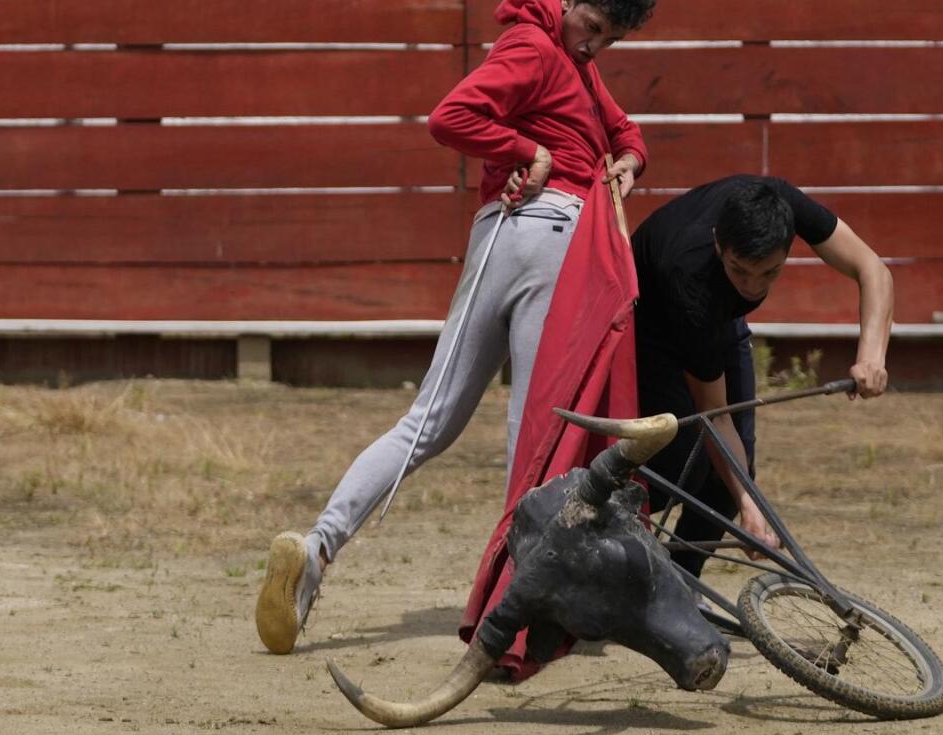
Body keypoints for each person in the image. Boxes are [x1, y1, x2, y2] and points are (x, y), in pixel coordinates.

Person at [255, 0, 656, 655]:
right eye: (594, 30)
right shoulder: (535, 46)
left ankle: (317, 548)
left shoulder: (565, 55)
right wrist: (530, 149)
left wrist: (630, 159)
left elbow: (621, 128)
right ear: (575, 2)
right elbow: (452, 117)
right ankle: (515, 602)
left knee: (428, 419)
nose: (595, 48)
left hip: (500, 235)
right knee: (535, 432)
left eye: (609, 40)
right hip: (553, 237)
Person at [629, 176, 894, 577]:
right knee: (684, 462)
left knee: (737, 469)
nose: (753, 288)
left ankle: (680, 580)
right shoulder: (690, 275)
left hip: (720, 318)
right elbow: (715, 415)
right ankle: (612, 554)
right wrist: (753, 511)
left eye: (769, 273)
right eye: (741, 270)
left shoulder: (780, 204)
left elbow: (872, 268)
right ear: (720, 244)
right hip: (656, 323)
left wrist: (871, 356)